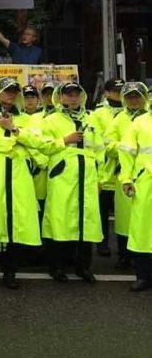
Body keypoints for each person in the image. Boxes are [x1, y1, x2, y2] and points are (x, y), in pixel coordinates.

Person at [0, 78, 43, 289]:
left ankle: (10, 271)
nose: (10, 95)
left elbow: (36, 141)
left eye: (14, 91)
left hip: (19, 174)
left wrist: (13, 128)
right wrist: (14, 141)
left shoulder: (25, 118)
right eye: (6, 91)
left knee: (16, 223)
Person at [40, 82, 102, 283]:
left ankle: (83, 266)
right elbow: (41, 146)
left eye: (76, 94)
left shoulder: (90, 119)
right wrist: (64, 141)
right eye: (68, 94)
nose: (73, 98)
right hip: (63, 176)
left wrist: (100, 178)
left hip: (87, 175)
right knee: (60, 219)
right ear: (60, 97)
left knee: (86, 220)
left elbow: (99, 149)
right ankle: (56, 266)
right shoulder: (51, 120)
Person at [103, 81, 148, 270]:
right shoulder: (119, 118)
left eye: (137, 96)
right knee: (124, 219)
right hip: (126, 174)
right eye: (130, 97)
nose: (134, 100)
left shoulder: (148, 117)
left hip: (146, 177)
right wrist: (125, 148)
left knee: (145, 219)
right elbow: (107, 143)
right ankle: (125, 256)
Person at [89, 78, 125, 258]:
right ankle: (102, 244)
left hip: (124, 172)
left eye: (121, 91)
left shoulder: (130, 111)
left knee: (124, 214)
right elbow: (96, 140)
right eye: (116, 91)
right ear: (107, 93)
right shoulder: (98, 113)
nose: (119, 94)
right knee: (102, 212)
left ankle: (124, 251)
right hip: (103, 171)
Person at [119, 98, 152, 292]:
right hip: (145, 183)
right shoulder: (139, 122)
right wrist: (126, 179)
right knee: (141, 230)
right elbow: (126, 153)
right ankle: (143, 275)